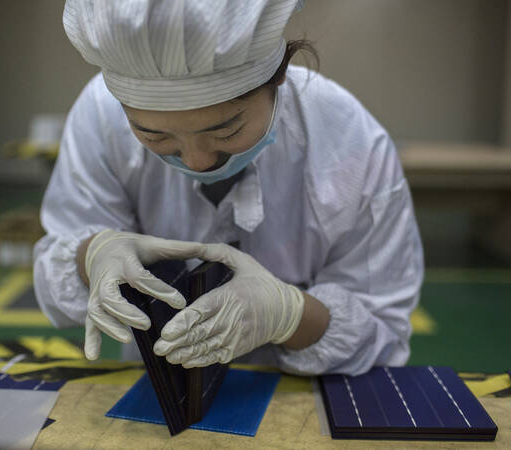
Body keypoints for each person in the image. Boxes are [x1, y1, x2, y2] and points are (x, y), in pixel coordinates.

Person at [34, 0, 424, 376]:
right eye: (155, 137)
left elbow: (380, 333)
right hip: (158, 385)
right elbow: (63, 254)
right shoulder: (100, 117)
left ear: (278, 78)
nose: (196, 162)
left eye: (226, 132)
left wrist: (288, 314)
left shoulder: (351, 144)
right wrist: (94, 254)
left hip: (304, 394)